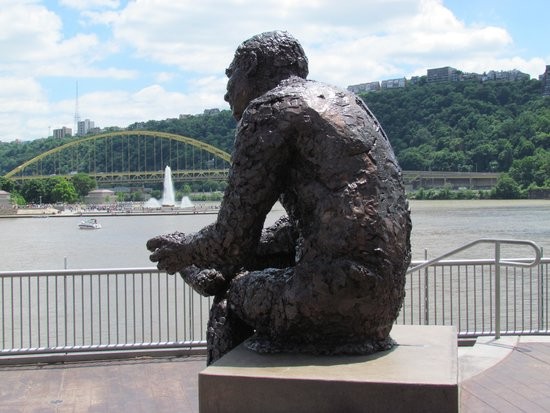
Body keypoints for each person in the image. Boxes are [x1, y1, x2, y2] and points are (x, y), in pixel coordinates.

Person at [147, 31, 411, 364]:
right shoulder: (346, 103)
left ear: (251, 66)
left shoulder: (268, 110)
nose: (227, 92)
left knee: (231, 295)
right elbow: (329, 218)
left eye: (231, 76)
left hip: (330, 301)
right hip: (381, 307)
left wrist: (184, 251)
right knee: (239, 267)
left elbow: (231, 242)